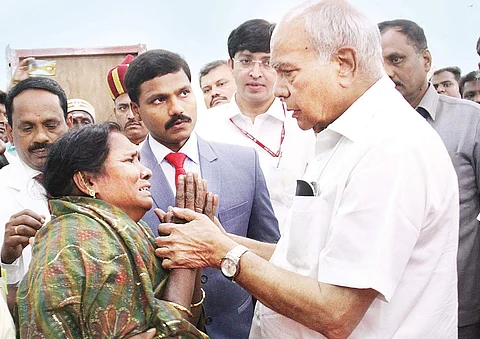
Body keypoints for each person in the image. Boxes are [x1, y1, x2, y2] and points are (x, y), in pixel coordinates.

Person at [153, 1, 459, 338]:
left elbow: (336, 312)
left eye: (287, 71)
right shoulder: (337, 135)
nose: (279, 88)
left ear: (344, 64)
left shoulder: (390, 148)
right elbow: (302, 261)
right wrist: (220, 238)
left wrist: (223, 252)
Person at [124, 49, 280, 339]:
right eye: (159, 99)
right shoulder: (122, 177)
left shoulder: (244, 163)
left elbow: (272, 254)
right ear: (135, 109)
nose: (176, 108)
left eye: (183, 93)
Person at [16, 122, 207, 338]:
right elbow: (166, 333)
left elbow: (188, 318)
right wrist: (183, 260)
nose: (146, 172)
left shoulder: (135, 230)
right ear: (88, 181)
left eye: (139, 160)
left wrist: (190, 253)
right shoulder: (79, 244)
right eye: (129, 160)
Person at [379, 18, 480, 338]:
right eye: (378, 62)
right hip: (383, 310)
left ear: (425, 61)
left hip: (457, 306)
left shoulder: (469, 122)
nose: (387, 72)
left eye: (396, 59)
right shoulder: (367, 127)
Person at [195, 19, 315, 234]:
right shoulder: (205, 127)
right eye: (246, 61)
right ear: (231, 66)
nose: (256, 73)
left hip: (294, 252)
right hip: (227, 251)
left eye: (267, 62)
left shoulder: (303, 122)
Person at [0, 77, 69, 313]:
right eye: (27, 127)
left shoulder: (95, 179)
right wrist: (6, 258)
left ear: (67, 124)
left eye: (51, 125)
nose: (41, 137)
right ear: (9, 132)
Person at [107, 55, 148, 145]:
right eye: (123, 108)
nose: (131, 116)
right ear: (115, 113)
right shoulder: (104, 154)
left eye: (136, 107)